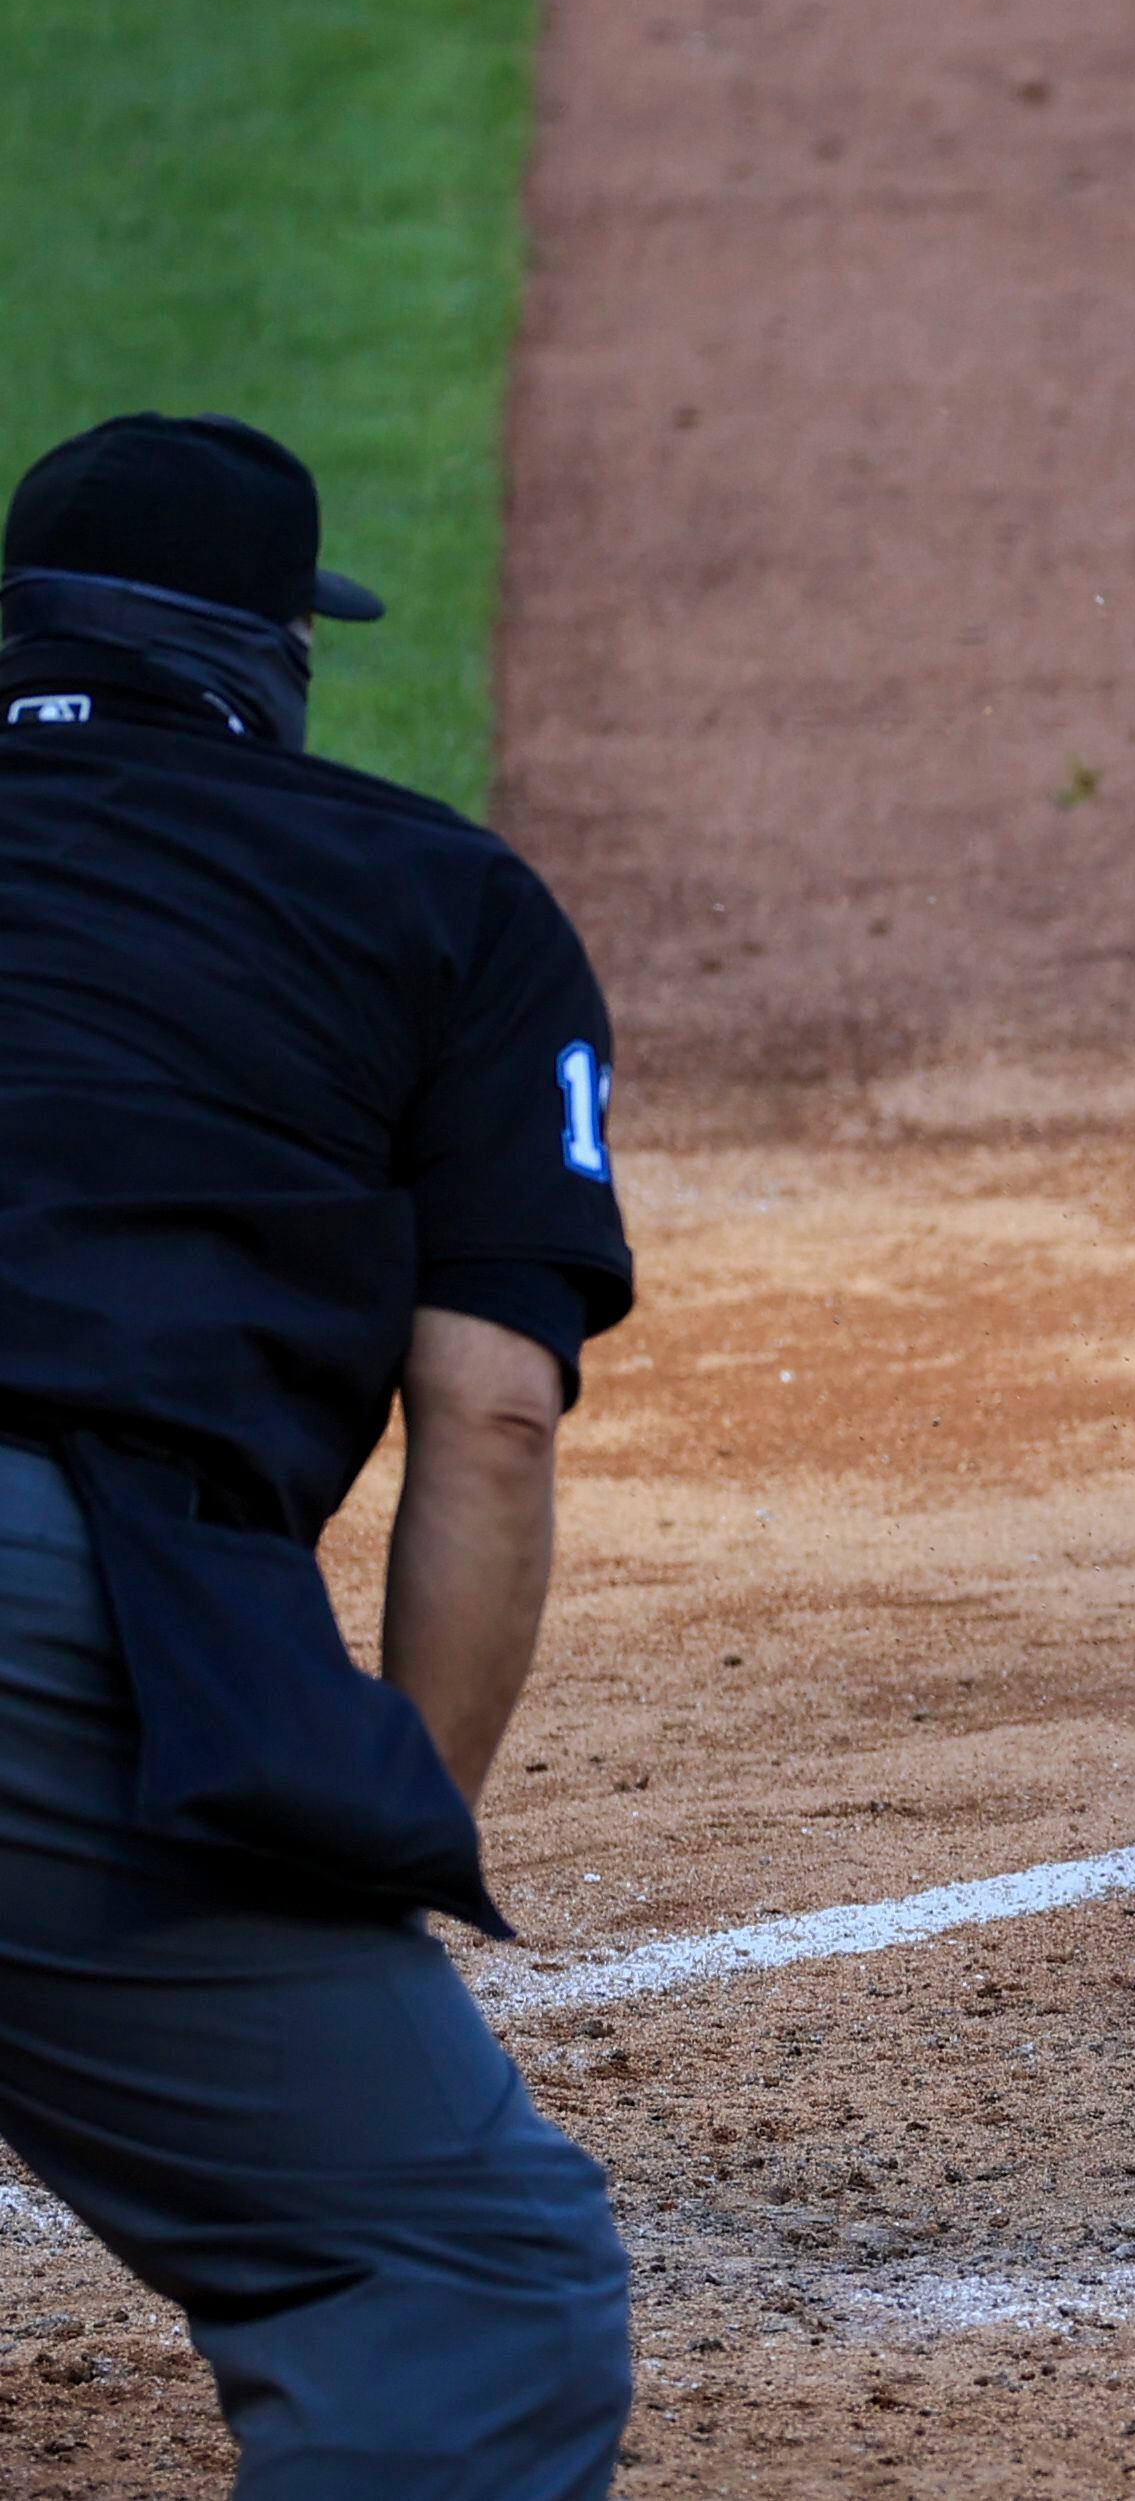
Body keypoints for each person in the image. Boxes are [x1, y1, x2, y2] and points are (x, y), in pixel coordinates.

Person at [0, 414, 639, 2496]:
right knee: (463, 2274)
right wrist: (380, 1846)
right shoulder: (434, 896)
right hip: (44, 1610)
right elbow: (490, 1406)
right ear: (272, 655)